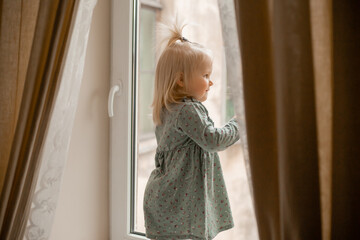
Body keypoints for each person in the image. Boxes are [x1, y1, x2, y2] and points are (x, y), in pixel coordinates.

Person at [143, 22, 240, 240]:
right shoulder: (187, 110)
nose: (211, 81)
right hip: (179, 206)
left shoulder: (169, 108)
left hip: (172, 200)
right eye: (205, 75)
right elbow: (213, 140)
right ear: (180, 80)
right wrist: (238, 123)